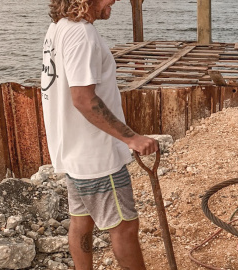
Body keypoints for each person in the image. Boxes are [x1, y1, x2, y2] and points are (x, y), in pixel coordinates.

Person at [41, 0, 157, 269]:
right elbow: (83, 99)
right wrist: (132, 138)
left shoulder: (58, 27)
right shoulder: (82, 34)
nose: (115, 1)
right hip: (98, 157)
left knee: (81, 220)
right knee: (125, 227)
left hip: (74, 151)